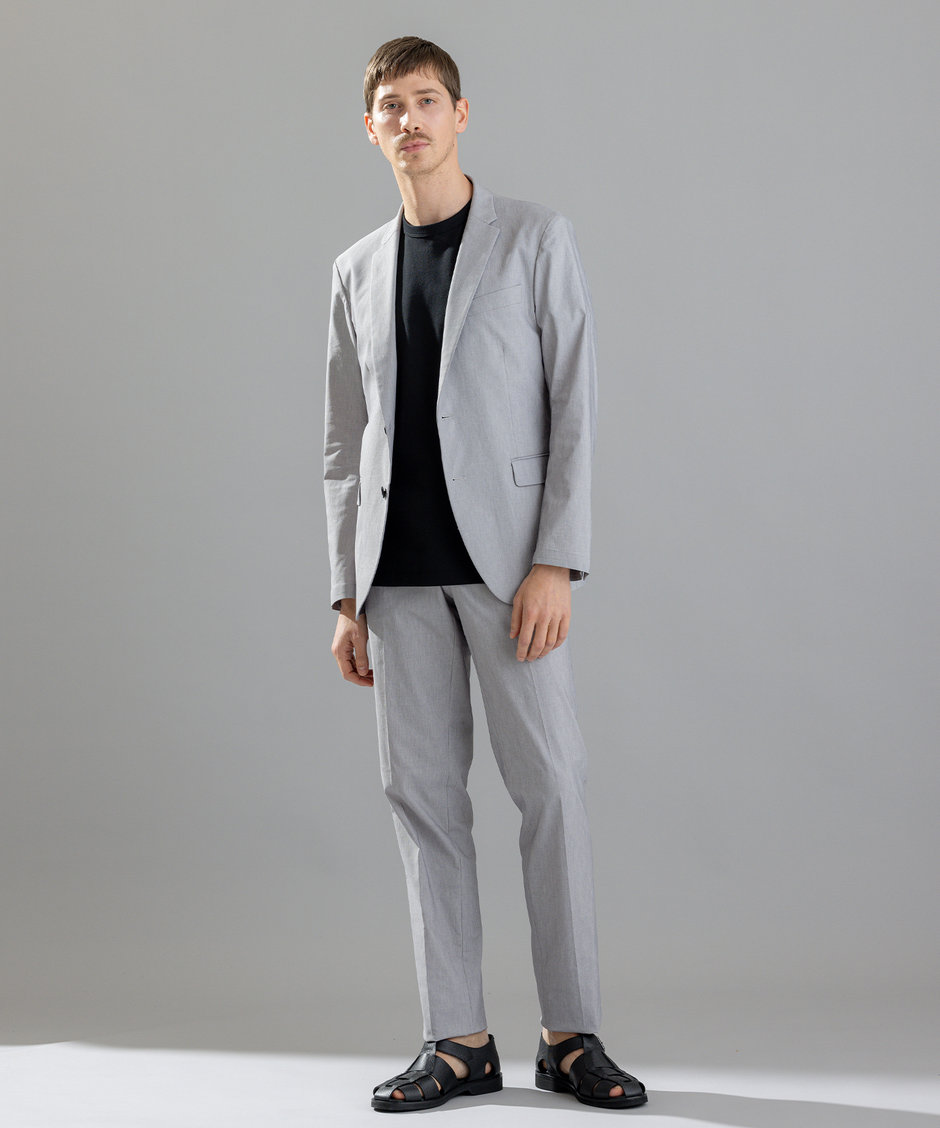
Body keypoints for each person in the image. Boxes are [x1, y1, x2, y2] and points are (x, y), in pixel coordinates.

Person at [323, 35, 648, 1113]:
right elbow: (344, 442)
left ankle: (572, 1035)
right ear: (370, 129)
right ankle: (457, 1039)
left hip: (511, 571)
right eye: (390, 106)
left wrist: (557, 559)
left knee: (550, 789)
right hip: (397, 578)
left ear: (460, 115)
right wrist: (345, 594)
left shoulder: (534, 238)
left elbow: (574, 402)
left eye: (426, 101)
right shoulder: (355, 269)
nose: (409, 120)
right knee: (423, 802)